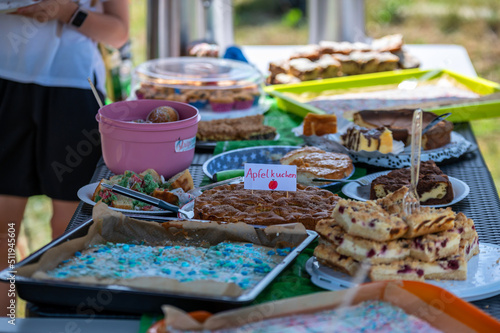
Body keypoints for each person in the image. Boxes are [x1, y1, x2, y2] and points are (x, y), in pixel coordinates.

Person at [0, 0, 129, 317]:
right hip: (5, 83)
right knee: (4, 231)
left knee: (69, 230)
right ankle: (7, 318)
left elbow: (119, 33)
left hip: (73, 88)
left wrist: (65, 11)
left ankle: (52, 319)